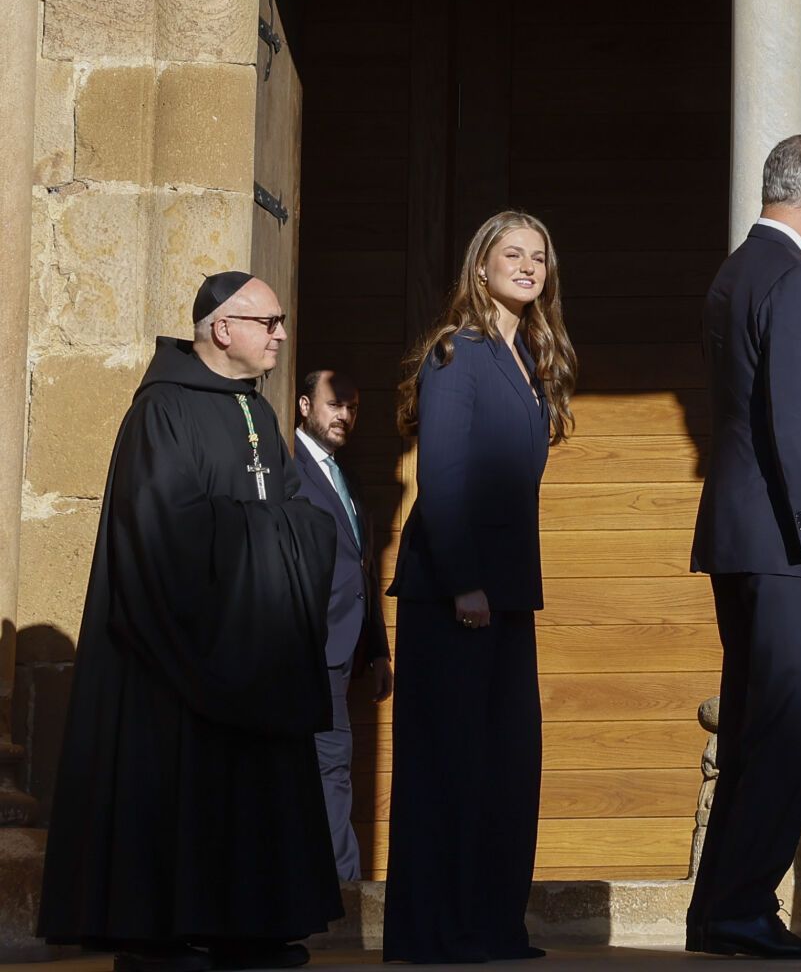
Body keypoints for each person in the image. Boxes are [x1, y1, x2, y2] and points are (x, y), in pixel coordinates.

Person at [38, 272, 343, 972]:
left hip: (254, 645)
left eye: (280, 322)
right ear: (220, 328)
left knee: (251, 788)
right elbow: (160, 531)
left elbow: (304, 517)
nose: (282, 334)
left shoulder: (260, 415)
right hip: (177, 656)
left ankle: (250, 925)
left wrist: (281, 537)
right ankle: (164, 932)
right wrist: (277, 536)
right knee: (179, 786)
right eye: (269, 321)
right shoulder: (163, 411)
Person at [383, 211, 577, 964]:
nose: (528, 266)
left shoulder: (527, 357)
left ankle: (492, 925)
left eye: (539, 257)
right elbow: (444, 476)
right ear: (481, 266)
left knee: (506, 766)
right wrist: (465, 581)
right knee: (453, 766)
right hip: (454, 595)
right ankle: (440, 933)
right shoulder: (456, 355)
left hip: (507, 594)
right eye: (513, 254)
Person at [688, 135, 801, 961]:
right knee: (794, 722)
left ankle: (717, 908)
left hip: (737, 536)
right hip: (788, 545)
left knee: (755, 724)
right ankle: (746, 908)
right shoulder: (796, 281)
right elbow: (792, 419)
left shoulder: (733, 274)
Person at [293, 369, 392, 883]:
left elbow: (362, 568)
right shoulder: (287, 470)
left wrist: (377, 650)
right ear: (304, 406)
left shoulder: (343, 479)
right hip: (300, 647)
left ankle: (338, 884)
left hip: (341, 652)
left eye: (352, 407)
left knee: (331, 765)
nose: (345, 416)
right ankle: (340, 886)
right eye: (335, 404)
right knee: (325, 764)